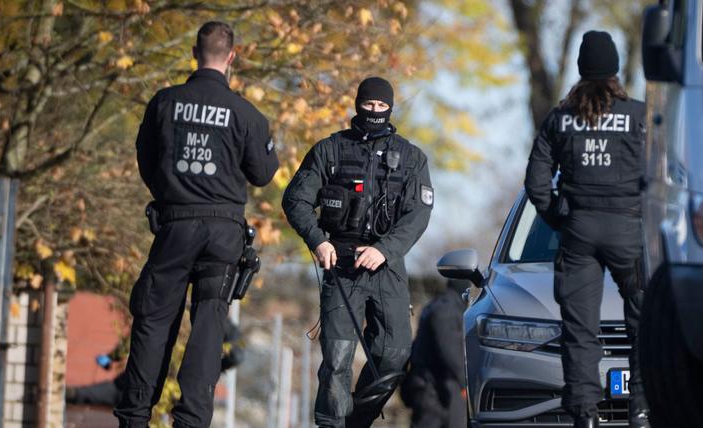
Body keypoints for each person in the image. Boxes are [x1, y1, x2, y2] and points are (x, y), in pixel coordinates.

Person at [114, 21, 278, 428]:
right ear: (232, 57)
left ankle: (135, 416)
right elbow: (263, 173)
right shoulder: (246, 114)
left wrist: (173, 195)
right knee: (209, 322)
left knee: (154, 319)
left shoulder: (164, 103)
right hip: (223, 233)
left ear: (193, 52)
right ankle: (190, 420)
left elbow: (146, 161)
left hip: (175, 225)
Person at [283, 76, 433, 428]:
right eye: (369, 105)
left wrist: (384, 250)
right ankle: (331, 424)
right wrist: (318, 240)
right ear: (357, 104)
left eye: (382, 106)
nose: (375, 112)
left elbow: (418, 215)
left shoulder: (412, 158)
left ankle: (356, 422)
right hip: (340, 267)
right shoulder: (330, 150)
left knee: (393, 356)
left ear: (391, 108)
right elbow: (295, 199)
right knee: (336, 359)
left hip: (388, 268)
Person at [524, 30, 648, 428]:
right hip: (629, 229)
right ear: (614, 69)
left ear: (580, 70)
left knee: (580, 328)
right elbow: (662, 176)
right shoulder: (639, 116)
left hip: (579, 231)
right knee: (643, 321)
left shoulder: (560, 119)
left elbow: (536, 183)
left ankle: (585, 415)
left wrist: (560, 218)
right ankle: (642, 410)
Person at [67, 319, 244, 407]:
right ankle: (71, 394)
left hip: (142, 381)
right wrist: (112, 358)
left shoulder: (202, 367)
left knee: (102, 393)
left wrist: (112, 358)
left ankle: (70, 394)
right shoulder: (202, 356)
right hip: (143, 380)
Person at [401, 279, 467, 428]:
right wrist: (465, 382)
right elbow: (449, 350)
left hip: (426, 383)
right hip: (435, 387)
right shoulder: (447, 309)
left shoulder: (434, 305)